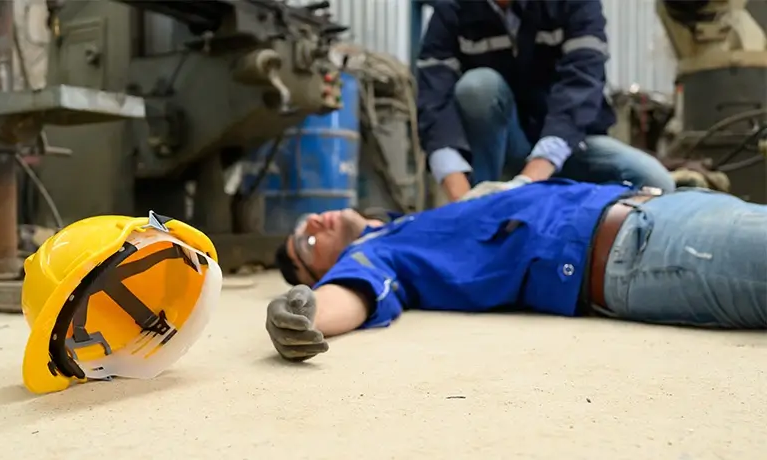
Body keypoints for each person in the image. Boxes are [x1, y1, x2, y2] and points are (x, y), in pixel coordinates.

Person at [267, 180, 766, 361]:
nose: (314, 223)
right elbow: (352, 291)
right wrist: (303, 313)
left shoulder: (406, 224)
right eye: (308, 242)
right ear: (319, 272)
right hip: (643, 251)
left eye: (304, 222)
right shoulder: (375, 254)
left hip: (664, 209)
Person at [416, 0, 675, 202]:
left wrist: (529, 180)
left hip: (567, 143)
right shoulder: (452, 9)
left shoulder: (573, 4)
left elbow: (581, 83)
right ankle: (484, 203)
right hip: (503, 148)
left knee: (654, 182)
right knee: (478, 87)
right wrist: (462, 198)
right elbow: (434, 102)